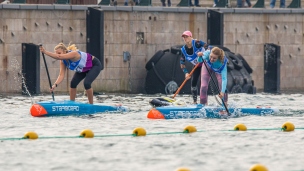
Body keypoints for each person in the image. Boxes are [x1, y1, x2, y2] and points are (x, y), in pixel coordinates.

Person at [180, 30, 207, 104]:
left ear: (191, 37)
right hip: (197, 66)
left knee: (203, 83)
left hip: (205, 64)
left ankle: (204, 101)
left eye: (187, 37)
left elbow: (207, 46)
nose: (185, 38)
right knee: (193, 83)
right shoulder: (183, 50)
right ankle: (195, 102)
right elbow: (182, 63)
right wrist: (186, 73)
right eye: (184, 37)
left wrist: (204, 53)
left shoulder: (197, 43)